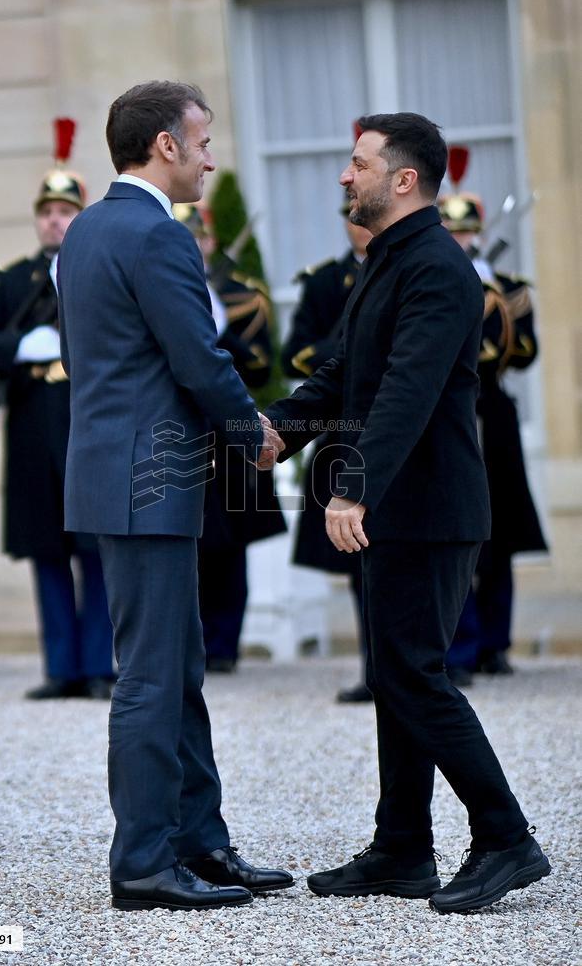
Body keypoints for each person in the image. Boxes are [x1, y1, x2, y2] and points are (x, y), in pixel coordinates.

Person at [265, 112, 550, 914]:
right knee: (395, 674)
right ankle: (402, 847)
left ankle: (504, 836)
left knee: (416, 675)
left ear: (403, 179)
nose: (344, 176)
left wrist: (351, 485)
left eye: (357, 164)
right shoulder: (388, 263)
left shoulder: (434, 268)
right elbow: (344, 374)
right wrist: (276, 434)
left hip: (428, 508)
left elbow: (406, 395)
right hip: (405, 507)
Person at [57, 80, 292, 912]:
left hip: (121, 478)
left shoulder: (86, 229)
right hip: (143, 484)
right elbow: (197, 357)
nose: (209, 157)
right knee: (153, 677)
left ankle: (201, 841)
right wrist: (255, 433)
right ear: (164, 146)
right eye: (202, 141)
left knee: (177, 668)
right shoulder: (156, 235)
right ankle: (144, 861)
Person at [0, 159, 115, 700]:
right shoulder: (15, 280)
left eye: (65, 211)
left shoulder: (97, 268)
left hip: (86, 422)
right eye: (46, 212)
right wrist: (20, 347)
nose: (54, 222)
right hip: (29, 431)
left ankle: (97, 666)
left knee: (95, 550)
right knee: (48, 552)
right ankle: (61, 667)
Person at [438, 191, 547, 682]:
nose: (462, 240)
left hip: (493, 413)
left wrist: (490, 303)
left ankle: (494, 644)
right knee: (457, 531)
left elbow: (522, 352)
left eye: (467, 232)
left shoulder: (508, 288)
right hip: (450, 409)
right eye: (453, 232)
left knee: (499, 534)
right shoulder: (436, 280)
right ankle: (460, 647)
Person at [174, 204, 286, 673]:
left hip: (230, 431)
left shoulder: (242, 296)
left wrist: (221, 332)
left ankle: (224, 644)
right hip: (181, 430)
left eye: (196, 239)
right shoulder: (163, 291)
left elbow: (261, 365)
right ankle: (191, 644)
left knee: (231, 540)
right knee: (187, 538)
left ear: (209, 244)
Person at [282, 203, 372, 702]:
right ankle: (373, 668)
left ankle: (448, 662)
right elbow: (293, 351)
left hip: (397, 426)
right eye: (349, 215)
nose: (357, 222)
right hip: (342, 428)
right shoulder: (325, 282)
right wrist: (343, 350)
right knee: (361, 563)